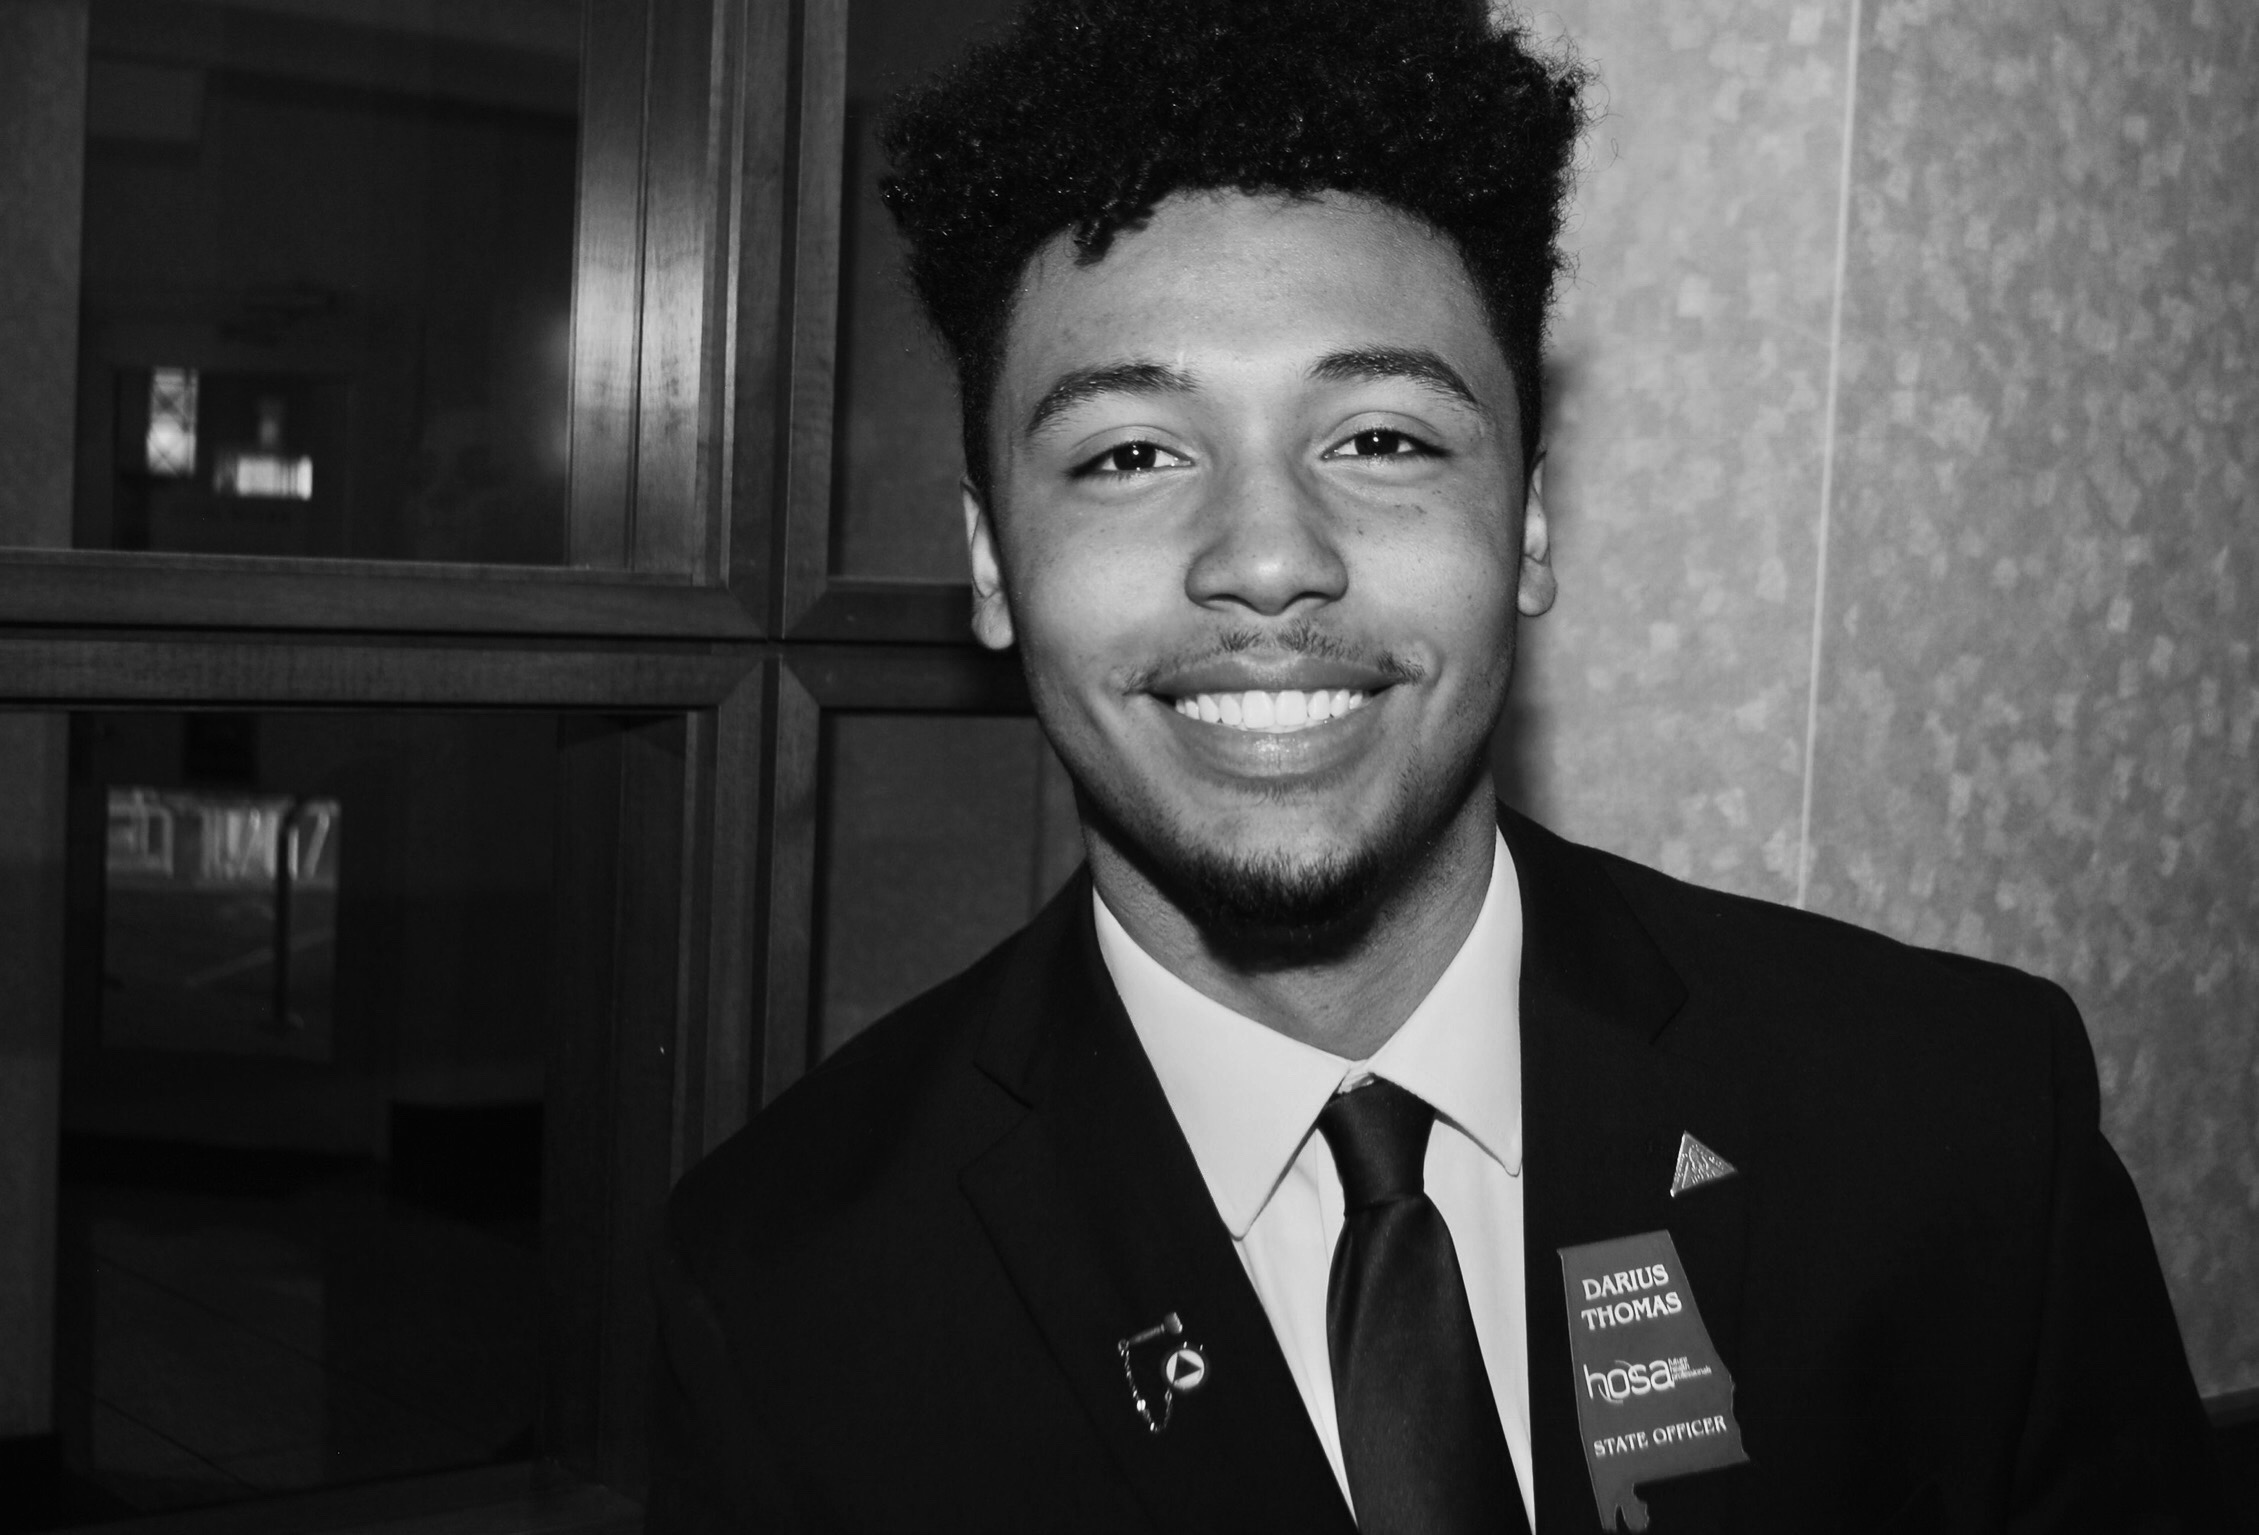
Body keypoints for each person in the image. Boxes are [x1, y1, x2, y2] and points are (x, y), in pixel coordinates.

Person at [646, 1, 2222, 1529]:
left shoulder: (1955, 1130)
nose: (1269, 558)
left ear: (1526, 523)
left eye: (1381, 439)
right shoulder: (795, 1298)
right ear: (993, 561)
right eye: (1129, 455)